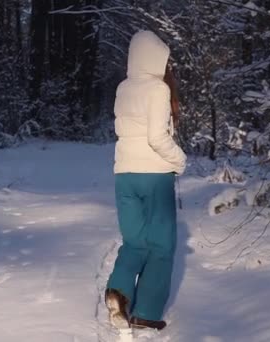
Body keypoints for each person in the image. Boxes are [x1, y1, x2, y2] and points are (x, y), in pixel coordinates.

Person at [105, 30, 186, 331]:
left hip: (124, 175)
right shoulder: (157, 89)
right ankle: (147, 313)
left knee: (135, 243)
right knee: (162, 247)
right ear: (157, 57)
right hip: (154, 175)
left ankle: (118, 292)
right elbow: (156, 138)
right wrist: (179, 160)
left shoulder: (123, 87)